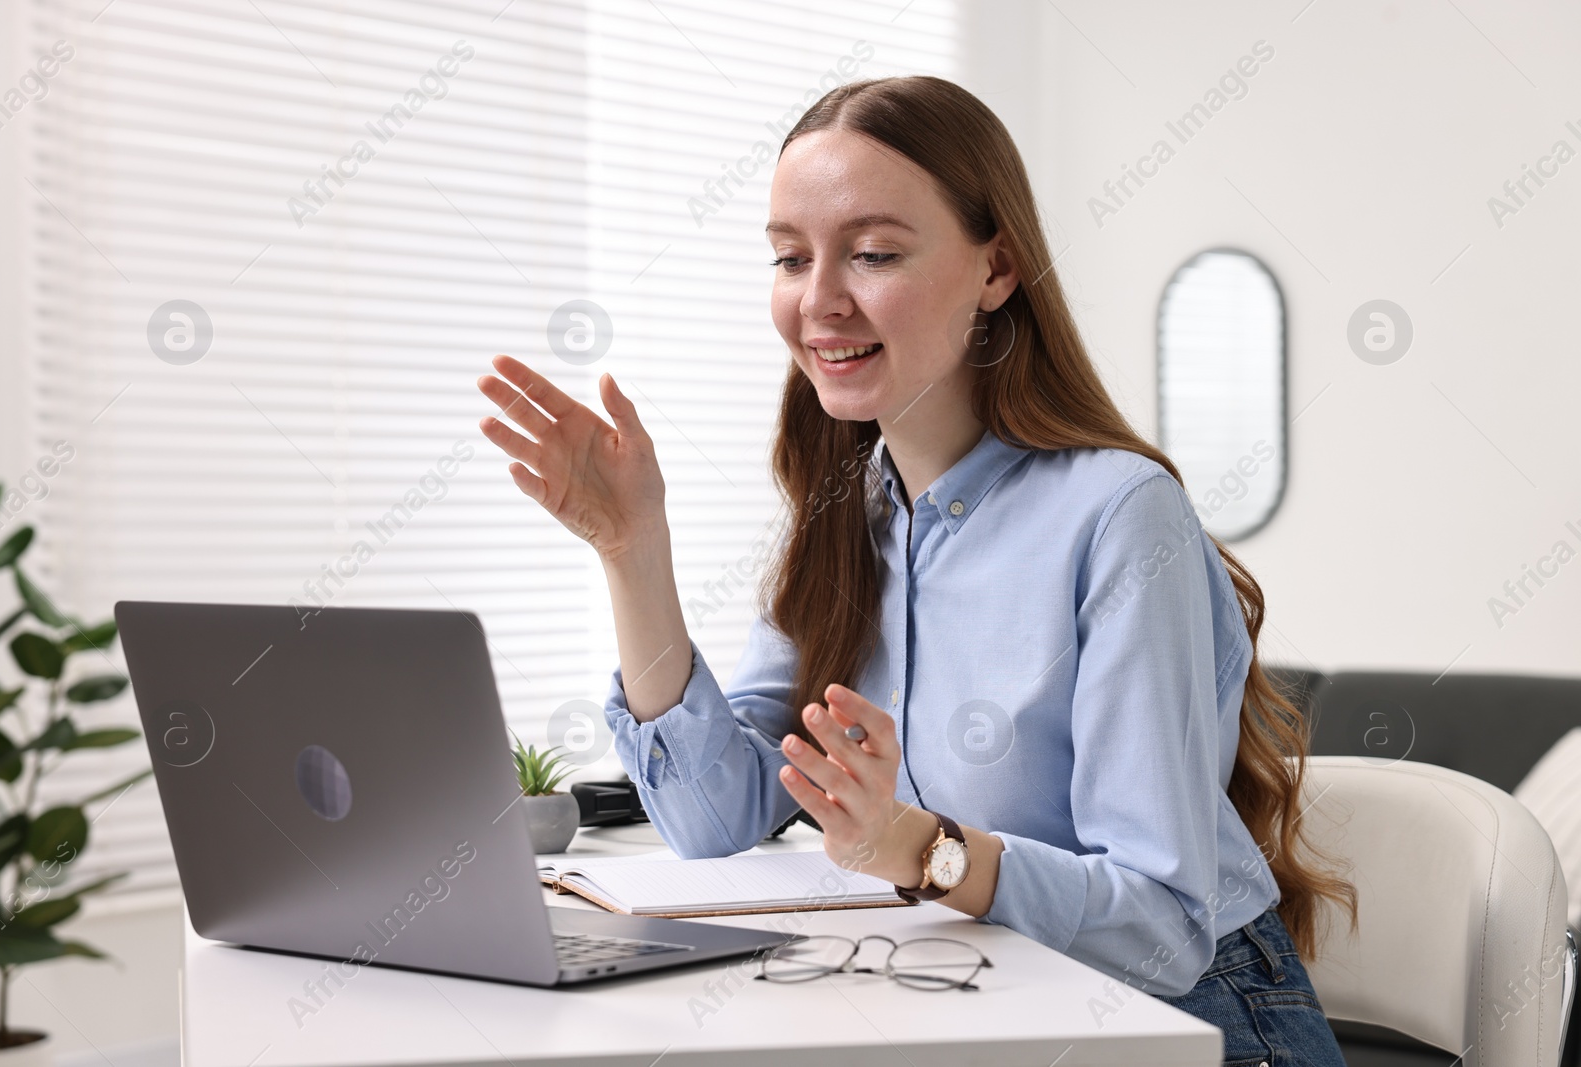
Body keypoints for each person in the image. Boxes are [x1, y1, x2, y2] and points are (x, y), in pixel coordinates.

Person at [477, 75, 1355, 1063]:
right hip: (986, 1000)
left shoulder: (1117, 516)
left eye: (873, 253)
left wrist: (912, 846)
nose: (818, 301)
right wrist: (632, 550)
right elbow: (713, 817)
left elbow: (1159, 924)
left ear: (997, 266)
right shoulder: (844, 516)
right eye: (788, 256)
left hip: (1189, 1023)